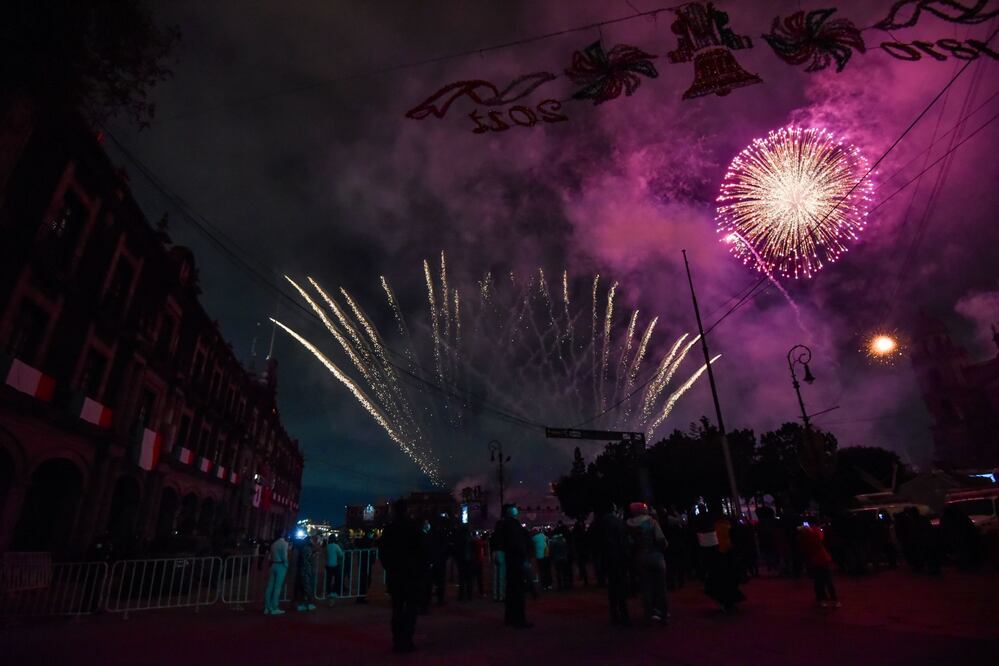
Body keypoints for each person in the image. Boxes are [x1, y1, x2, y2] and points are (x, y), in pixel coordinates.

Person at [379, 498, 425, 654]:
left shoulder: (389, 529)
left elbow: (383, 553)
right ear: (406, 510)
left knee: (397, 609)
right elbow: (421, 552)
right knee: (411, 609)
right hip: (411, 576)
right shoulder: (414, 528)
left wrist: (390, 568)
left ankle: (397, 641)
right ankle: (407, 640)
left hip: (395, 575)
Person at [627, 502, 669, 624]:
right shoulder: (651, 522)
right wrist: (665, 546)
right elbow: (660, 539)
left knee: (646, 588)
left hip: (640, 557)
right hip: (655, 555)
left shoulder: (628, 524)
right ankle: (664, 615)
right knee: (661, 587)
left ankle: (648, 615)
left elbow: (629, 542)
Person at [593, 502, 631, 626]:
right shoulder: (618, 522)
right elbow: (623, 541)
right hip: (618, 558)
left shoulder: (599, 523)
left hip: (606, 558)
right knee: (621, 586)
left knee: (612, 587)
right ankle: (624, 614)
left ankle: (614, 614)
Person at [496, 504, 532, 628]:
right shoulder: (512, 525)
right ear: (510, 512)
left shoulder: (505, 524)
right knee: (517, 591)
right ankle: (519, 620)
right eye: (515, 508)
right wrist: (524, 556)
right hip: (516, 561)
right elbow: (517, 544)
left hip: (511, 561)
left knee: (511, 591)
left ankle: (511, 619)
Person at [797, 520, 840, 608]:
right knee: (828, 581)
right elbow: (821, 537)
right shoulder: (816, 533)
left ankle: (822, 599)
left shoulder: (803, 536)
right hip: (823, 559)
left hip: (813, 561)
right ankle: (833, 599)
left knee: (818, 581)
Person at [264, 532, 289, 615]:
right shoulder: (284, 544)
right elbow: (284, 556)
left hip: (273, 564)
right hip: (280, 565)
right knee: (277, 587)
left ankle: (267, 607)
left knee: (269, 586)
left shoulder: (273, 544)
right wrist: (286, 564)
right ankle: (275, 607)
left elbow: (270, 556)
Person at [294, 531, 318, 611]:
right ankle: (307, 604)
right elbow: (309, 559)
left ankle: (302, 603)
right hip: (306, 569)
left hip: (302, 568)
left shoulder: (302, 548)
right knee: (306, 586)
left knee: (302, 586)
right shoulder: (307, 548)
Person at [325, 535, 344, 603]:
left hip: (328, 565)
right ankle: (336, 591)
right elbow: (341, 554)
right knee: (337, 578)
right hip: (335, 565)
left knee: (329, 579)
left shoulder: (327, 546)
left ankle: (329, 591)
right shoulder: (336, 546)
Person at [489, 527, 506, 602]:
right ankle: (501, 595)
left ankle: (495, 595)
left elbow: (490, 545)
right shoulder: (503, 535)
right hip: (501, 553)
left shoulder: (493, 535)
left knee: (495, 576)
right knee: (501, 576)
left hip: (494, 553)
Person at [572, 520, 590, 586]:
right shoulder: (583, 533)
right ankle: (585, 578)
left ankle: (583, 577)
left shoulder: (576, 534)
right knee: (583, 565)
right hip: (583, 551)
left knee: (581, 565)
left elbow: (574, 543)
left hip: (579, 551)